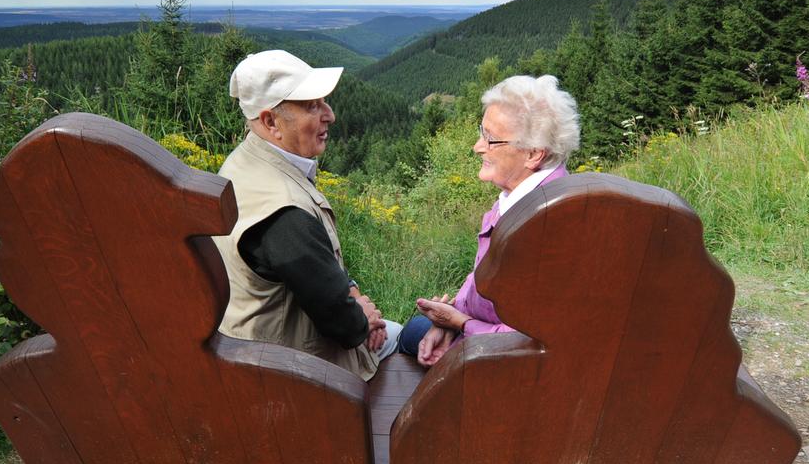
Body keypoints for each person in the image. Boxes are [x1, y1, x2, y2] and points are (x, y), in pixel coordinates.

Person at [213, 50, 401, 380]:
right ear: (271, 122)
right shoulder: (285, 213)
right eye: (312, 105)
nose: (330, 115)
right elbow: (342, 325)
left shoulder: (245, 161)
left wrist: (354, 295)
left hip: (255, 346)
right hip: (293, 370)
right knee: (418, 345)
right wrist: (364, 319)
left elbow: (318, 279)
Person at [399, 75, 580, 366]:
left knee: (408, 336)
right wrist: (448, 320)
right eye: (481, 132)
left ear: (533, 154)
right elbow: (483, 279)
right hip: (482, 336)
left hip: (503, 365)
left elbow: (529, 340)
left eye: (490, 139)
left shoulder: (544, 225)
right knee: (414, 333)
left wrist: (460, 324)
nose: (477, 146)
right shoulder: (525, 196)